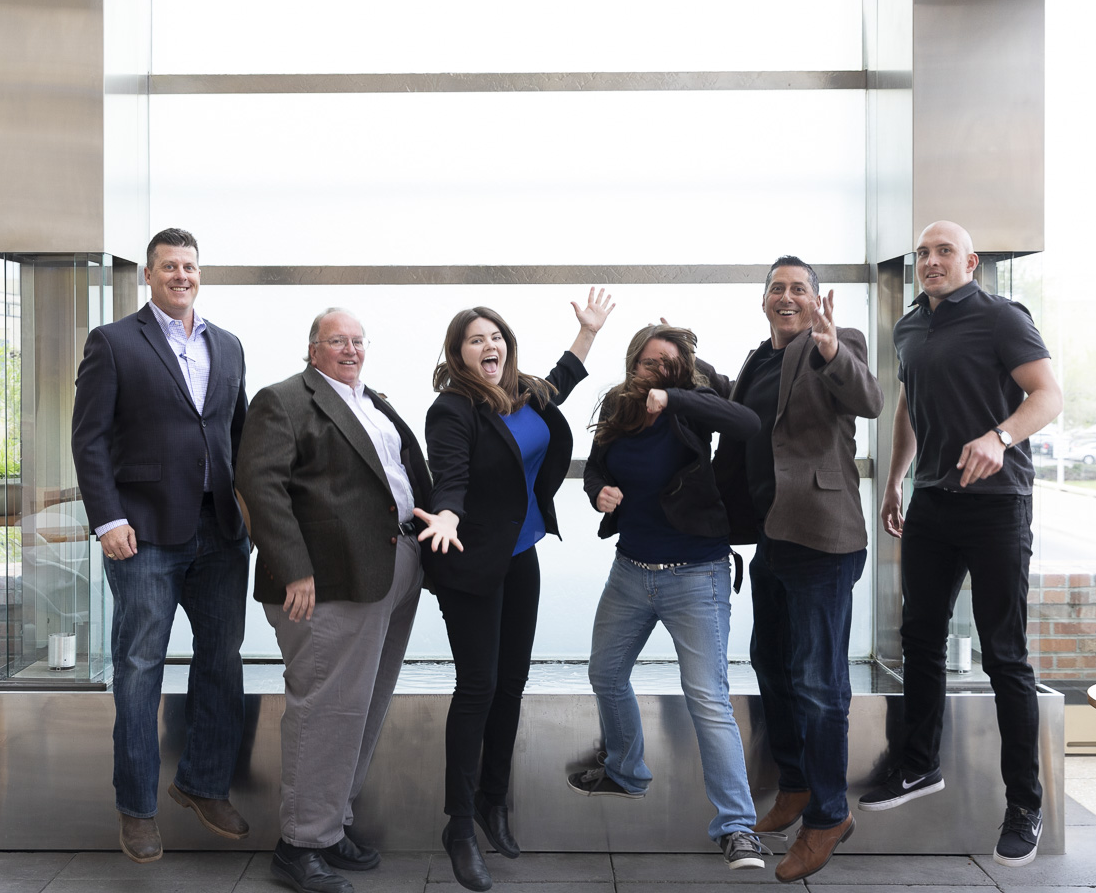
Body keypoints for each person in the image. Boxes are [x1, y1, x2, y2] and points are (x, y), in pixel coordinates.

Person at [861, 220, 1063, 869]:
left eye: (943, 250)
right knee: (918, 635)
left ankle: (1024, 802)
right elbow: (910, 408)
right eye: (922, 252)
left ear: (970, 260)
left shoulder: (1003, 317)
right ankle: (918, 765)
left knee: (1005, 654)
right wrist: (895, 481)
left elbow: (1049, 394)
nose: (929, 260)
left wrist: (998, 438)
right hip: (932, 503)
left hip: (998, 507)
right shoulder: (911, 326)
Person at [416, 290, 613, 893]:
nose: (489, 346)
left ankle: (492, 800)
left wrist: (588, 333)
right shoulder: (452, 409)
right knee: (478, 685)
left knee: (512, 682)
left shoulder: (521, 392)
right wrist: (446, 514)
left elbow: (564, 381)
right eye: (475, 340)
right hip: (469, 562)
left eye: (495, 336)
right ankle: (457, 824)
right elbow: (449, 473)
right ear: (457, 355)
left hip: (520, 554)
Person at [70, 228, 251, 863]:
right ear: (147, 275)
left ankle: (202, 784)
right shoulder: (114, 342)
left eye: (190, 266)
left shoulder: (227, 347)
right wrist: (106, 519)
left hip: (222, 532)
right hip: (142, 533)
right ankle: (137, 809)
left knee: (223, 661)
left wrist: (253, 514)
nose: (181, 275)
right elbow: (88, 439)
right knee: (140, 667)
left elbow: (238, 437)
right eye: (169, 266)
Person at [236, 307, 432, 893]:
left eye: (356, 340)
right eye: (335, 341)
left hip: (390, 571)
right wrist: (293, 570)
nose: (349, 349)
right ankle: (299, 845)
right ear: (312, 349)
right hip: (324, 584)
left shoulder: (374, 401)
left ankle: (327, 824)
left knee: (362, 708)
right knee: (325, 711)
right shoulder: (284, 400)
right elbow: (259, 486)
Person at [567, 324, 769, 871]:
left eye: (670, 364)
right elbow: (598, 470)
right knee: (605, 673)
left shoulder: (693, 407)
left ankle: (738, 828)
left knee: (708, 698)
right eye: (651, 362)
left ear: (682, 371)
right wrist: (598, 494)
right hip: (631, 571)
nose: (659, 369)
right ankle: (627, 770)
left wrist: (674, 395)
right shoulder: (617, 406)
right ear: (634, 363)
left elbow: (747, 424)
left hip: (696, 575)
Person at [710, 256, 884, 882]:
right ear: (763, 301)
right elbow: (739, 432)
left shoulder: (834, 345)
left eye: (799, 289)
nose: (788, 297)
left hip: (824, 539)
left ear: (816, 299)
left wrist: (834, 348)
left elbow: (869, 398)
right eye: (777, 289)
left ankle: (829, 816)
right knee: (772, 666)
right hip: (774, 539)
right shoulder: (757, 361)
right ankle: (797, 785)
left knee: (818, 682)